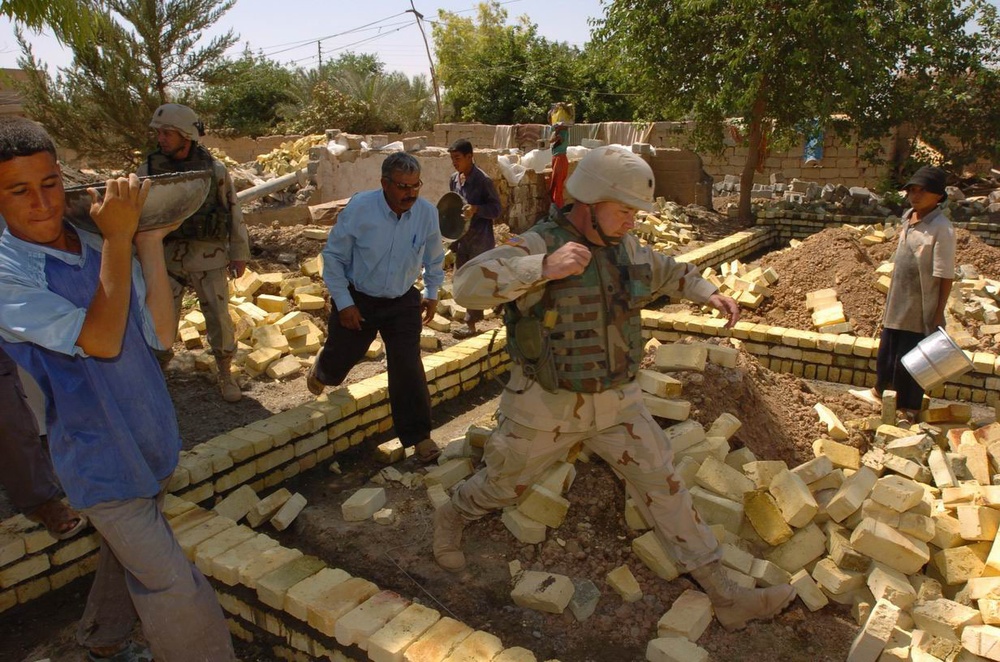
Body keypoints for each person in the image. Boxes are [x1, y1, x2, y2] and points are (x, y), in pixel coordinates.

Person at [434, 145, 796, 631]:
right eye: (624, 211)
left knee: (664, 486)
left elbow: (668, 270)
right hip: (546, 404)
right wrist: (541, 269)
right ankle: (453, 514)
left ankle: (725, 594)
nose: (632, 222)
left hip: (618, 402)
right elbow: (467, 285)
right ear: (589, 204)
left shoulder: (624, 248)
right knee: (503, 485)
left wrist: (708, 292)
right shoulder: (540, 244)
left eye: (634, 213)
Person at [0, 117, 235, 662]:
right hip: (97, 460)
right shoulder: (10, 275)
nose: (41, 203)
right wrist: (118, 239)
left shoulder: (92, 242)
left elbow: (160, 334)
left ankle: (102, 640)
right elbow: (102, 341)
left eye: (50, 184)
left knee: (121, 555)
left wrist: (147, 239)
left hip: (148, 433)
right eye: (18, 191)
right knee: (172, 585)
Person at [308, 152, 446, 463]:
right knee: (342, 358)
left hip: (402, 301)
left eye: (416, 186)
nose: (410, 194)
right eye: (402, 186)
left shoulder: (426, 213)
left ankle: (419, 437)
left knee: (407, 366)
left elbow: (435, 258)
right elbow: (334, 258)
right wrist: (344, 304)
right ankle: (323, 368)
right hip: (360, 299)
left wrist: (433, 291)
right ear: (384, 183)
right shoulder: (360, 209)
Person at [138, 103, 250, 403]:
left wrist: (239, 253)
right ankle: (157, 374)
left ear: (186, 135)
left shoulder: (214, 171)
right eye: (159, 133)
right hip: (166, 260)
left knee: (219, 318)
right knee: (159, 320)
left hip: (208, 256)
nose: (161, 139)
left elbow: (234, 212)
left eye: (167, 133)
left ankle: (225, 372)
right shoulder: (148, 170)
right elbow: (136, 216)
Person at [853, 166, 955, 422]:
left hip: (921, 303)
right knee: (888, 350)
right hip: (898, 297)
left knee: (910, 357)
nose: (915, 196)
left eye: (922, 191)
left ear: (938, 196)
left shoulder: (942, 228)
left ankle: (909, 406)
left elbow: (945, 275)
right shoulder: (908, 218)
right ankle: (880, 391)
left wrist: (938, 311)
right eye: (912, 190)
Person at [446, 139, 502, 339]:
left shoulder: (483, 181)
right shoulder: (454, 179)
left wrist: (477, 209)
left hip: (480, 240)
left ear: (470, 157)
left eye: (458, 158)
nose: (454, 162)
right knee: (463, 278)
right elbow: (453, 206)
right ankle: (502, 300)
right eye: (452, 159)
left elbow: (496, 209)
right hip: (462, 239)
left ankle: (470, 324)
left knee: (475, 280)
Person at [548, 121, 570, 209]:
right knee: (555, 184)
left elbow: (559, 138)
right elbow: (550, 140)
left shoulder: (564, 133)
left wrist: (558, 129)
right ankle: (556, 206)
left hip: (560, 159)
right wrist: (556, 130)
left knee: (558, 184)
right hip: (556, 157)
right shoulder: (556, 132)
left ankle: (558, 207)